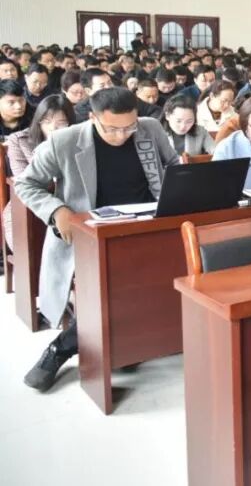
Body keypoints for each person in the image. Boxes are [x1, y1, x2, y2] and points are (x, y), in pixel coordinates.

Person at [16, 88, 180, 391]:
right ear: (93, 118)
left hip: (147, 226)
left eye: (129, 127)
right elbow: (27, 184)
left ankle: (125, 342)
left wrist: (177, 194)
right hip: (92, 234)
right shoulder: (64, 141)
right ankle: (60, 349)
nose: (122, 135)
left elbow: (174, 165)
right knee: (115, 287)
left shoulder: (150, 128)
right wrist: (57, 210)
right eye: (112, 129)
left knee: (168, 278)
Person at [2, 96, 74, 252]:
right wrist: (47, 150)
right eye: (47, 122)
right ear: (38, 122)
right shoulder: (19, 140)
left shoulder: (78, 139)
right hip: (30, 201)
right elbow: (23, 179)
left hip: (70, 198)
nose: (53, 128)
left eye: (61, 123)